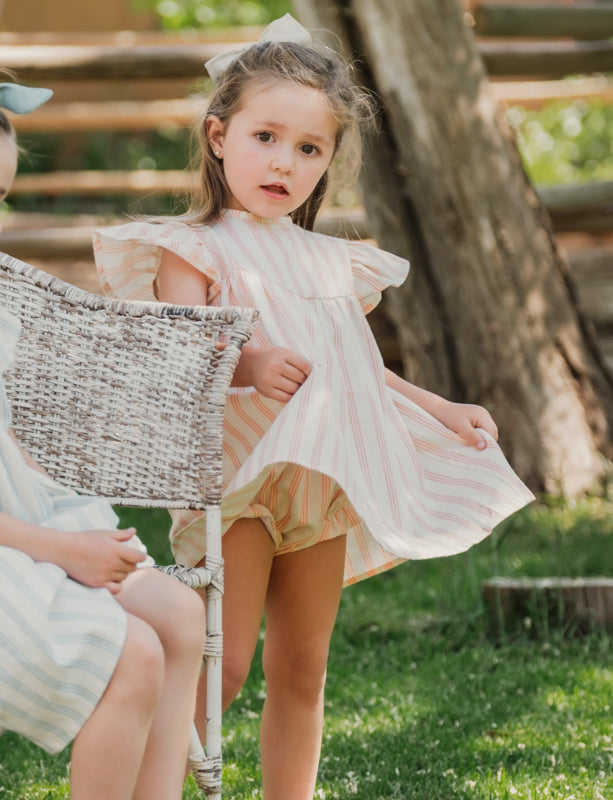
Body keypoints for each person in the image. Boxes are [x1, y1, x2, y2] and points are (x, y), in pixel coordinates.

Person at [93, 15, 535, 799]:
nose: (284, 162)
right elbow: (175, 351)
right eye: (266, 137)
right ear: (218, 135)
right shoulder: (191, 248)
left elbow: (355, 367)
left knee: (303, 666)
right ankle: (138, 783)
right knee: (220, 660)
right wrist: (247, 360)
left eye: (308, 148)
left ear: (329, 162)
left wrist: (440, 407)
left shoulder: (330, 258)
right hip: (238, 477)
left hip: (322, 479)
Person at [0, 82, 205, 800]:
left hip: (23, 531)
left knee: (178, 615)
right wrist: (64, 551)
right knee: (130, 654)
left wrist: (85, 526)